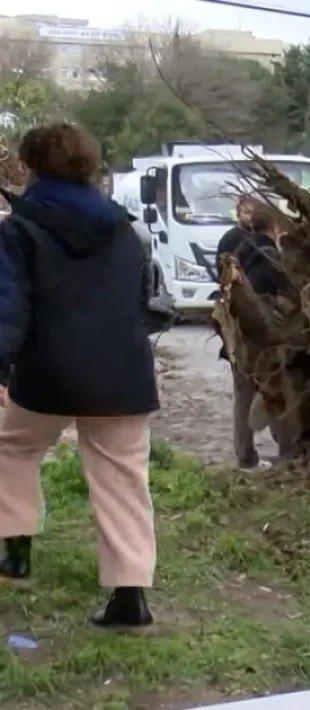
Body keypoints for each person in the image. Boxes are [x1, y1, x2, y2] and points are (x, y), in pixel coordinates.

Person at [0, 122, 158, 628]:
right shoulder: (125, 228)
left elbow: (9, 307)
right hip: (122, 372)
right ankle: (130, 596)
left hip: (48, 373)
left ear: (30, 166)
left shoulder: (18, 229)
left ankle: (14, 550)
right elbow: (143, 301)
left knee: (12, 447)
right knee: (124, 476)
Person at [227, 203, 291, 469]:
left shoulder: (241, 250)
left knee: (243, 396)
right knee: (277, 394)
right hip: (263, 341)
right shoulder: (270, 257)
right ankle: (288, 453)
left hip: (239, 338)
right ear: (274, 227)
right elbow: (288, 292)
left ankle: (245, 455)